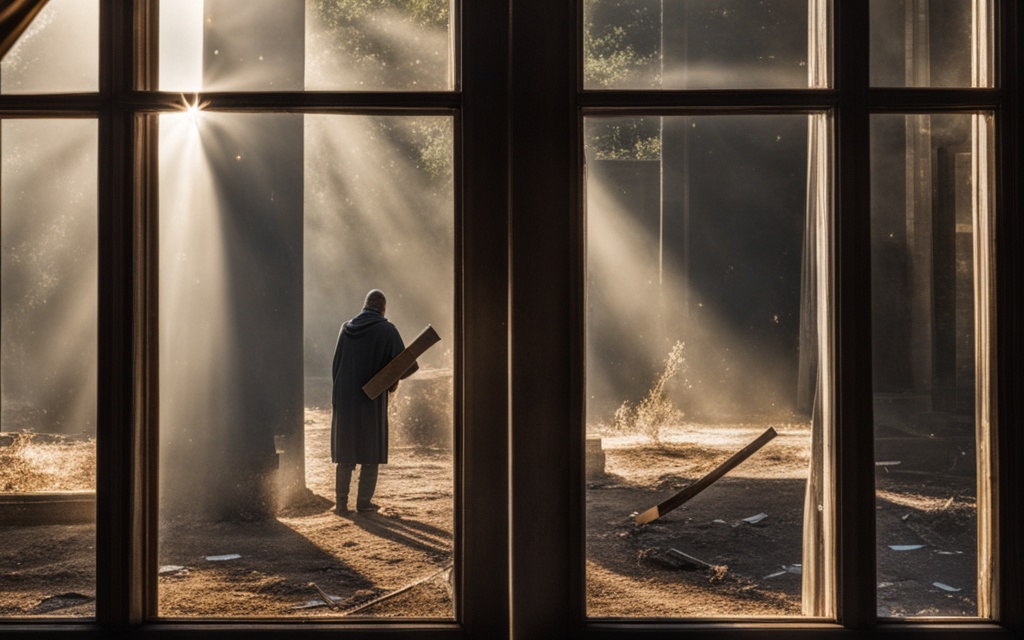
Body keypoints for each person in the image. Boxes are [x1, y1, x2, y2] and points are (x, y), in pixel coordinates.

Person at [331, 289, 417, 514]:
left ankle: (341, 504)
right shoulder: (387, 330)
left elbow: (336, 366)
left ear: (365, 305)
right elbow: (405, 365)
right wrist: (391, 382)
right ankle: (363, 503)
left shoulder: (346, 328)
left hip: (346, 398)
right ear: (383, 308)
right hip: (371, 398)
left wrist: (338, 397)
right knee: (371, 450)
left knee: (346, 450)